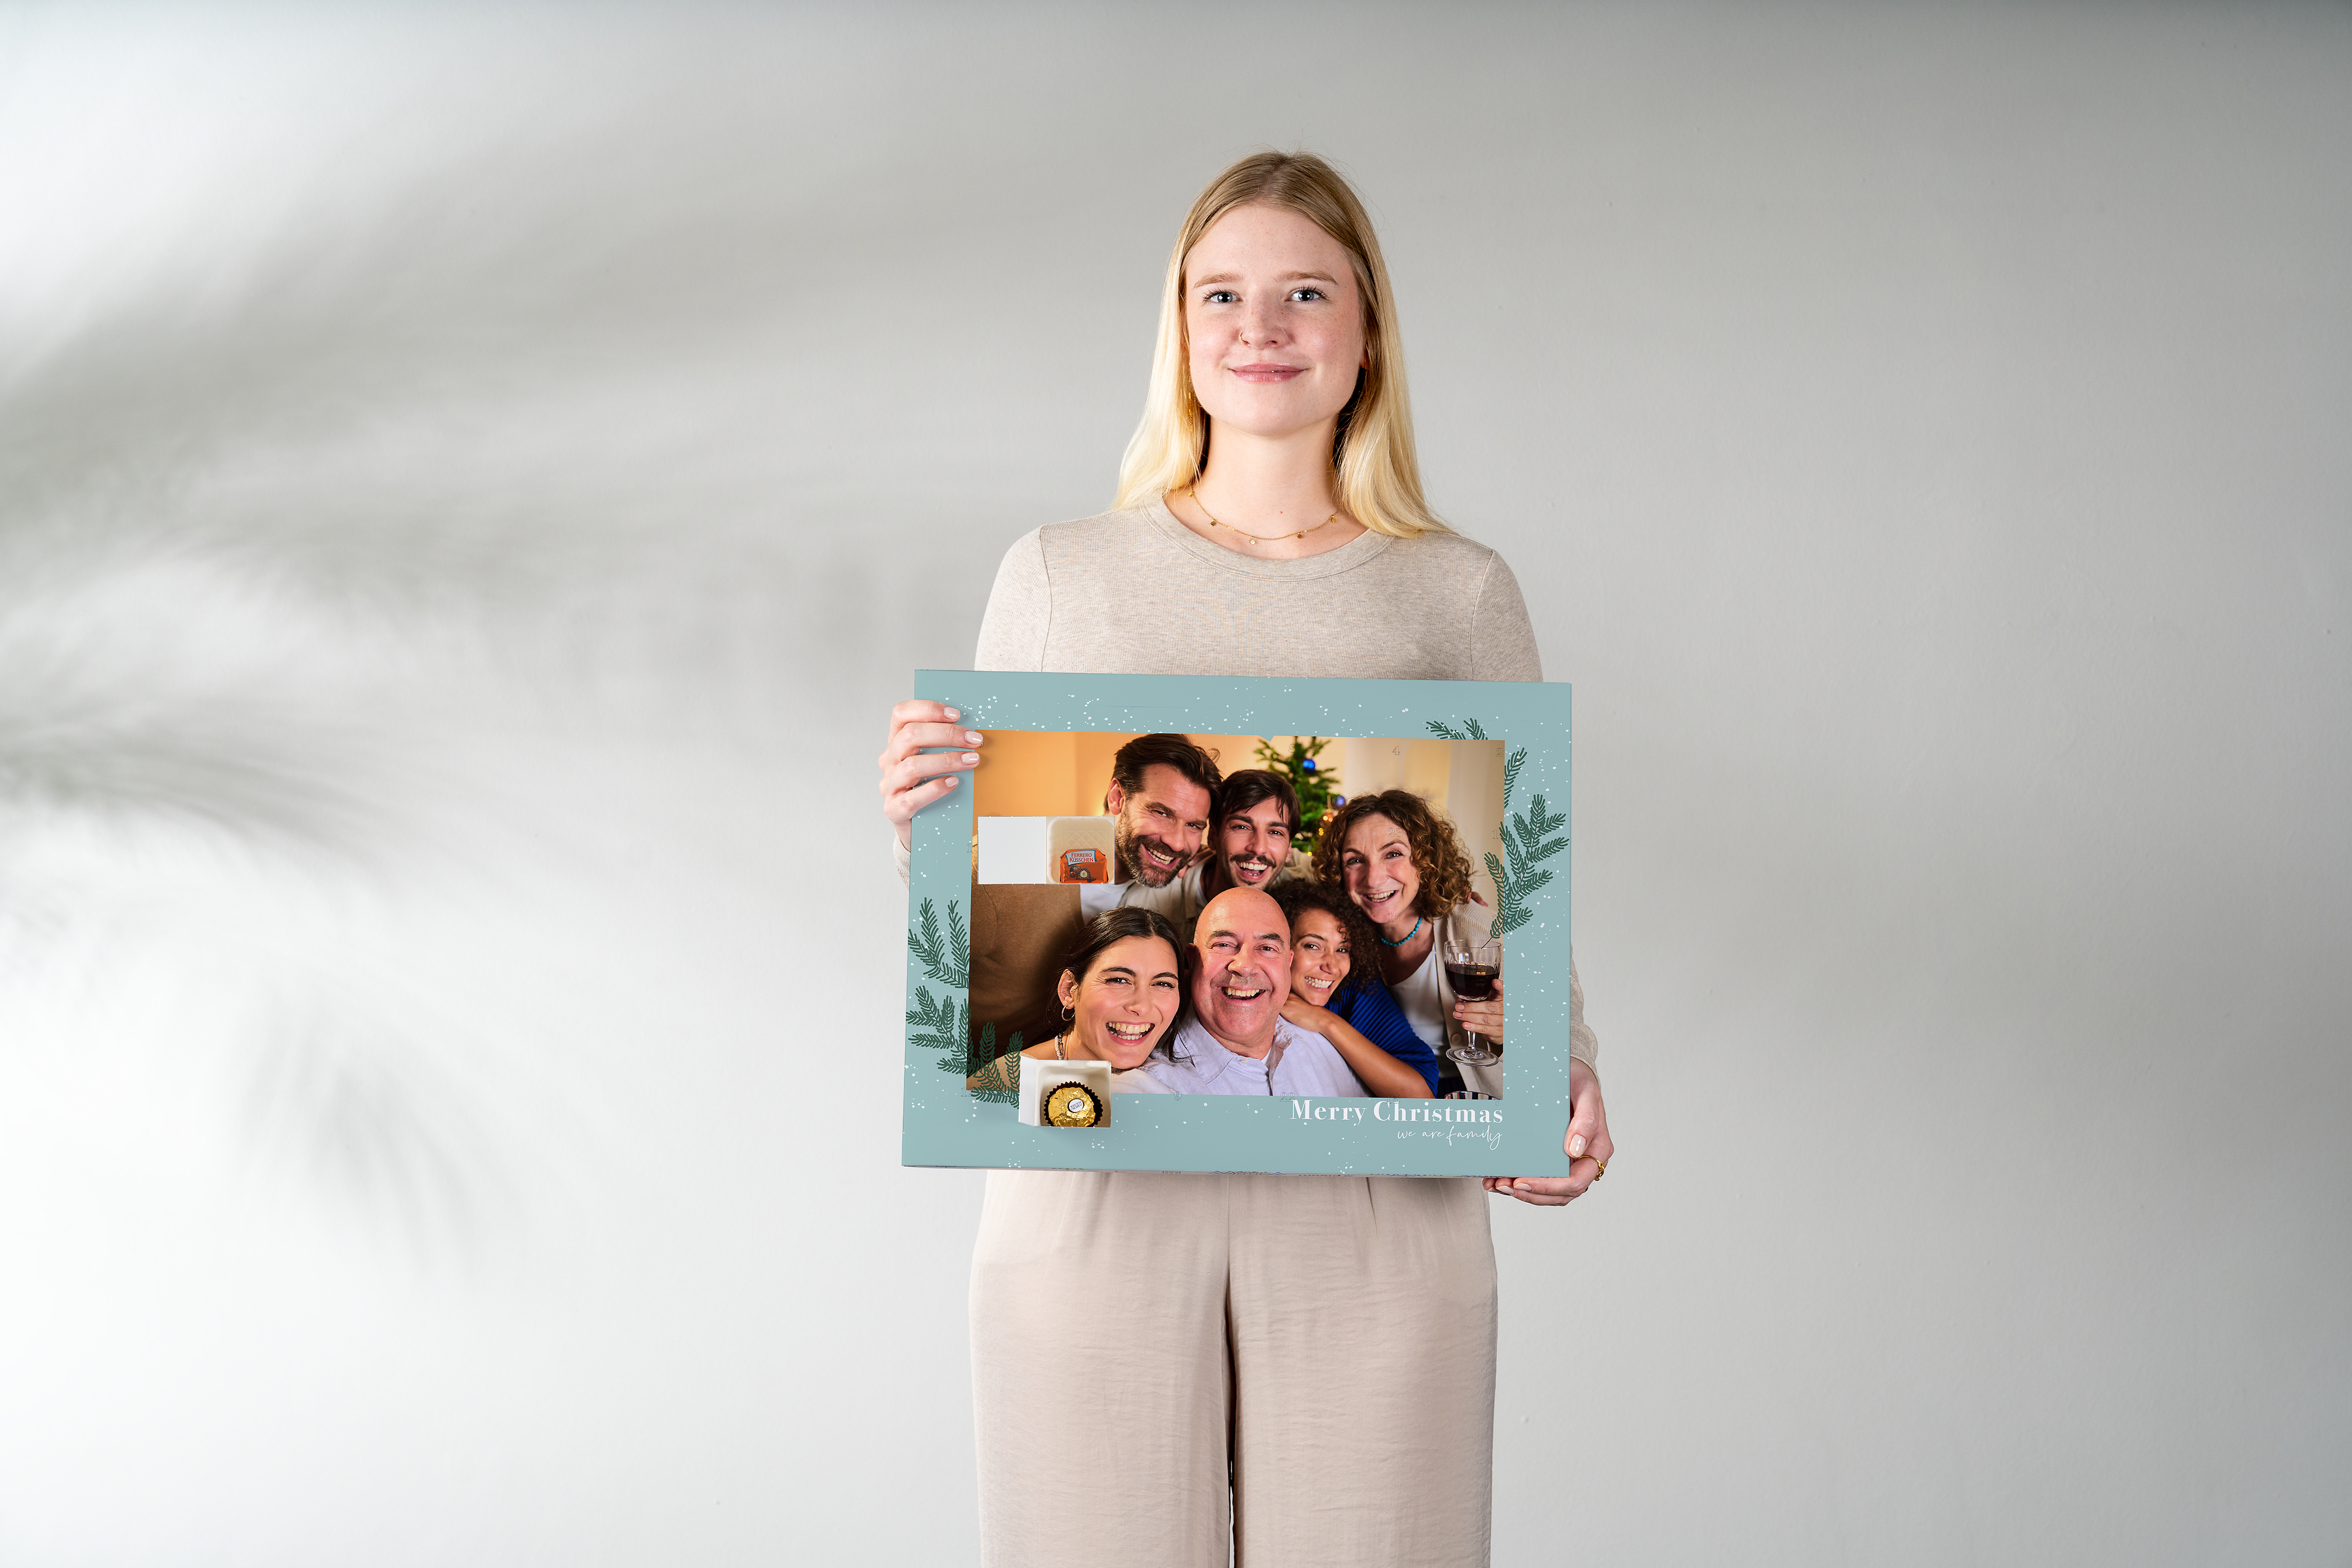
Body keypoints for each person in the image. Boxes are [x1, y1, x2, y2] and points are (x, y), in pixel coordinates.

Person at [875, 150, 1615, 1567]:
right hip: (1099, 1163)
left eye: (1304, 292)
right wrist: (922, 821)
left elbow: (1520, 883)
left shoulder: (1457, 590)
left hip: (1371, 1191)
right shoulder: (1058, 574)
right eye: (1220, 293)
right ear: (1179, 328)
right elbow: (983, 894)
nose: (1259, 326)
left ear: (1367, 332)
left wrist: (1561, 1067)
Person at [1315, 789, 1567, 1100]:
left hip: (1477, 1094)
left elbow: (1557, 1018)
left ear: (1425, 860)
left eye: (1393, 854)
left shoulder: (1478, 928)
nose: (1373, 879)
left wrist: (1512, 1030)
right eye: (1355, 860)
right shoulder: (1342, 934)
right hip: (1386, 1093)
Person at [1146, 887, 1428, 1098]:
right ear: (1191, 961)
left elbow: (1418, 1100)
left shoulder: (1336, 1029)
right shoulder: (1152, 1082)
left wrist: (1326, 1023)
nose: (1244, 965)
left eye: (1267, 948)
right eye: (1224, 944)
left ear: (1286, 962)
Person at [966, 907, 1187, 1096]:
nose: (1142, 1006)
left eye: (1163, 984)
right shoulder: (1001, 1087)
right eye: (1119, 980)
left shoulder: (1177, 1077)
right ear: (1069, 990)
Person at [1273, 877, 1443, 1094]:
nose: (1332, 966)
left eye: (1342, 950)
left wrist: (1326, 1022)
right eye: (1313, 946)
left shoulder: (1356, 988)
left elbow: (1421, 1094)